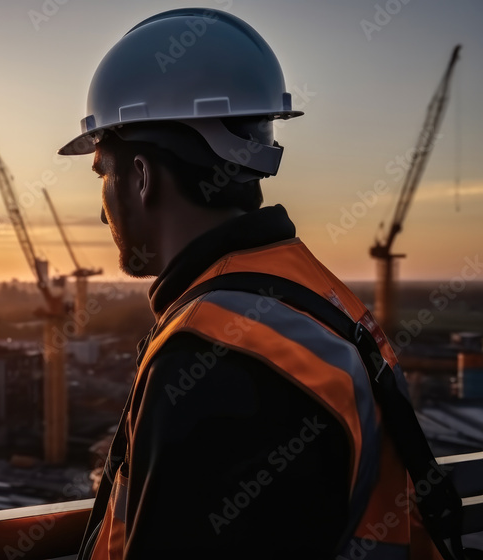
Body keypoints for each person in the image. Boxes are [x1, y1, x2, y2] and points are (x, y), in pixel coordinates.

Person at [57, 8, 459, 560]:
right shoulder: (312, 298)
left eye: (103, 173)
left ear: (143, 177)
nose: (103, 215)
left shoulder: (214, 353)